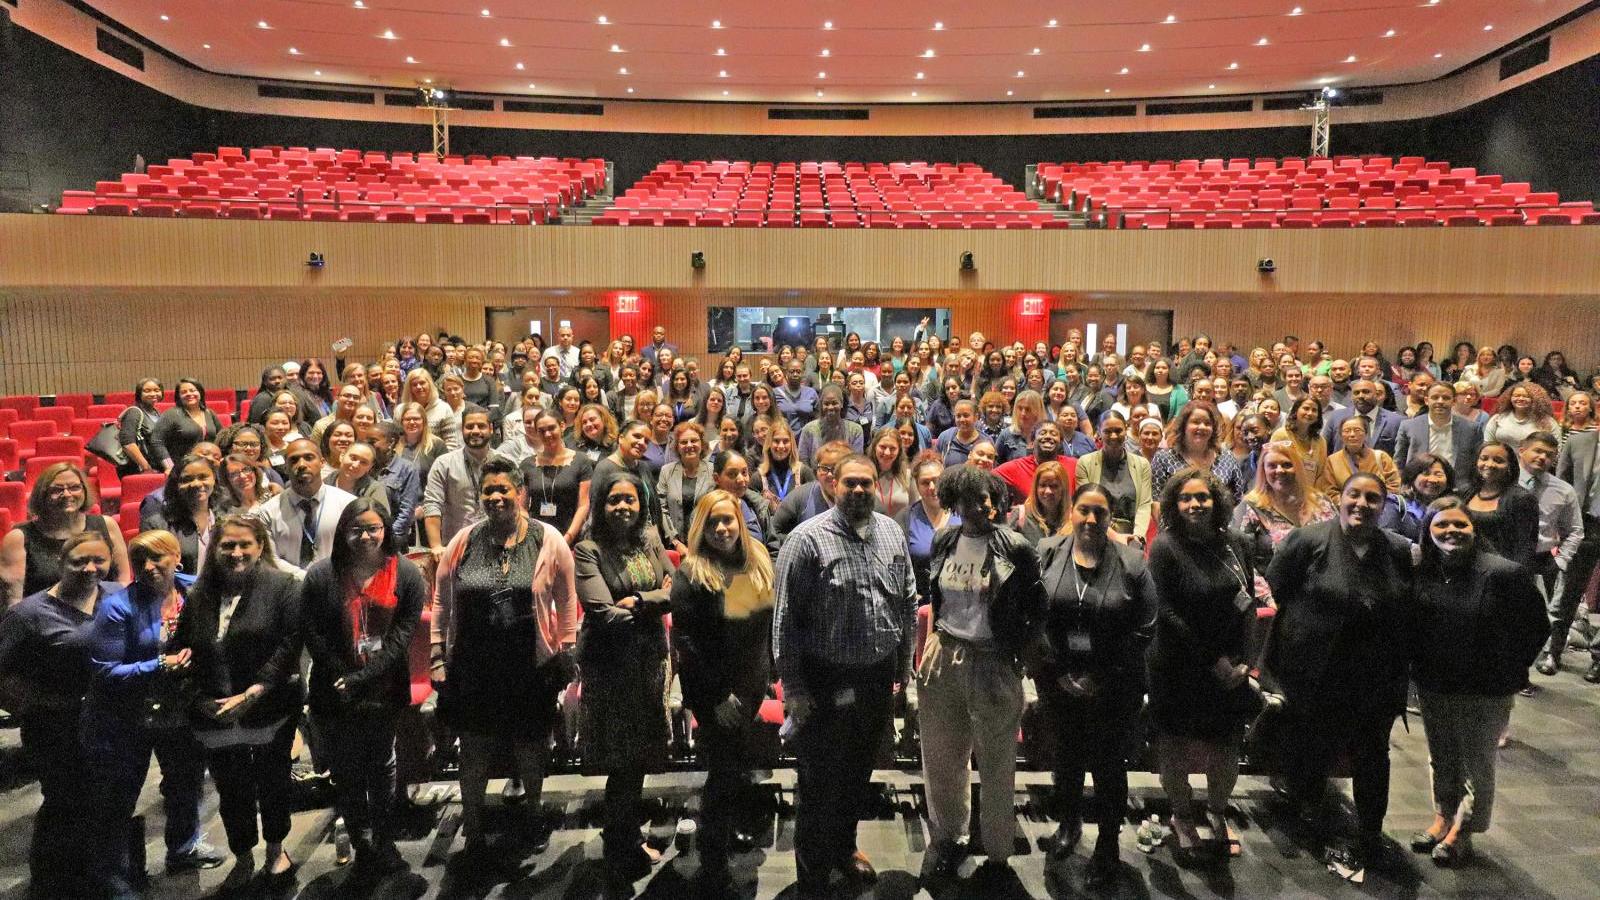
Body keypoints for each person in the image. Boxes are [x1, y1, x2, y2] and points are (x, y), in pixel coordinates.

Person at [773, 453, 917, 899]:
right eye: (850, 483)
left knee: (857, 774)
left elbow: (908, 602)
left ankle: (844, 848)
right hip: (823, 679)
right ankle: (812, 875)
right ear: (833, 484)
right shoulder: (807, 540)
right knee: (818, 783)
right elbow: (785, 622)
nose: (859, 490)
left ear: (877, 485)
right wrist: (793, 688)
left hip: (875, 677)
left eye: (866, 483)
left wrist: (903, 669)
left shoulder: (891, 531)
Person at [1265, 472, 1414, 874]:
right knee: (1312, 748)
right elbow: (1277, 589)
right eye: (1354, 495)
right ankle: (1308, 816)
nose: (1362, 504)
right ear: (1340, 498)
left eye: (1372, 498)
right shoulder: (1307, 541)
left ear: (1383, 506)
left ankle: (1370, 832)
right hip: (1315, 674)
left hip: (1374, 680)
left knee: (1373, 758)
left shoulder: (1398, 550)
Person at [432, 458, 578, 857]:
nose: (496, 497)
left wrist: (566, 647)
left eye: (504, 490)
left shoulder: (547, 539)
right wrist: (436, 654)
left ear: (521, 494)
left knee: (531, 745)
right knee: (474, 748)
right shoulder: (464, 540)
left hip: (530, 664)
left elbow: (567, 598)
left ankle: (533, 813)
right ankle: (474, 829)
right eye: (488, 491)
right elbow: (442, 600)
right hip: (473, 665)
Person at [916, 465, 1042, 882]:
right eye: (971, 498)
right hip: (945, 654)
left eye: (987, 496)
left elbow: (1038, 610)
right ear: (955, 503)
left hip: (993, 660)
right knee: (942, 759)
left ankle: (998, 855)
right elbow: (938, 600)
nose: (983, 504)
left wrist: (1019, 654)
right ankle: (949, 839)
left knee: (997, 762)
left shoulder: (1017, 547)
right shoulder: (943, 540)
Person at [84, 530, 222, 898]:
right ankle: (114, 877)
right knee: (120, 797)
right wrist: (158, 664)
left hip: (180, 709)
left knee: (184, 783)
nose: (148, 566)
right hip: (128, 715)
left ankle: (183, 848)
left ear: (178, 557)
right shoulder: (117, 607)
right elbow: (104, 671)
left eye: (158, 557)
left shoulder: (196, 591)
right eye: (139, 558)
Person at [1409, 497, 1546, 866]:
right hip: (1435, 684)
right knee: (1442, 758)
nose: (1451, 531)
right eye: (1441, 525)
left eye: (1460, 525)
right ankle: (1442, 816)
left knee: (1477, 765)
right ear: (1429, 531)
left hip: (1485, 690)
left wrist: (1509, 670)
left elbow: (1536, 627)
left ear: (1474, 529)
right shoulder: (1424, 571)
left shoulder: (1504, 573)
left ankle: (1463, 829)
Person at [1033, 484, 1157, 887]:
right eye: (1084, 510)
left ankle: (1107, 846)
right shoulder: (1048, 552)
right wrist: (1060, 673)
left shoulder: (1133, 561)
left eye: (1099, 513)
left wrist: (1098, 676)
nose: (1090, 519)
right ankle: (1069, 825)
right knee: (1065, 758)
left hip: (1115, 683)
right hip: (1058, 679)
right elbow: (1035, 616)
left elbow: (1145, 627)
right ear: (1072, 512)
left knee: (1108, 766)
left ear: (1111, 517)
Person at [170, 515, 302, 891]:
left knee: (273, 782)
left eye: (245, 544)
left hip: (268, 705)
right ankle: (243, 854)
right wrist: (198, 698)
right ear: (215, 550)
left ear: (261, 546)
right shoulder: (199, 594)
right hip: (213, 712)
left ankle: (276, 850)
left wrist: (255, 691)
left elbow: (291, 644)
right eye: (227, 545)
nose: (237, 552)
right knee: (232, 790)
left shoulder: (283, 586)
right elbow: (180, 649)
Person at [302, 500, 426, 889]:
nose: (366, 536)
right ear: (343, 532)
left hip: (383, 686)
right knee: (346, 771)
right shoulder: (322, 574)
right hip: (334, 688)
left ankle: (385, 840)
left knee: (383, 767)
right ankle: (361, 843)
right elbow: (312, 632)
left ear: (386, 529)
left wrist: (366, 675)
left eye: (373, 528)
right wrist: (344, 675)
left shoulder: (406, 572)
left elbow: (403, 635)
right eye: (356, 529)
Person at [1147, 470, 1260, 864]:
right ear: (1174, 506)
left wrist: (1244, 662)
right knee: (1175, 743)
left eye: (1203, 497)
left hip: (1230, 666)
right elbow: (1165, 611)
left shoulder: (1237, 545)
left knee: (1226, 744)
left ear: (1217, 500)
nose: (1196, 505)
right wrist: (1215, 661)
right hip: (1178, 664)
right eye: (1186, 499)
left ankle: (1216, 810)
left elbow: (1248, 602)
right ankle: (1180, 815)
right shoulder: (1164, 547)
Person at [0, 532, 118, 897]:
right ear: (60, 564)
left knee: (106, 800)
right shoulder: (29, 613)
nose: (90, 568)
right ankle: (52, 884)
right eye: (79, 561)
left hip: (109, 721)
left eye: (99, 559)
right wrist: (24, 704)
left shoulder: (116, 596)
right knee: (65, 804)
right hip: (56, 725)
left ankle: (96, 876)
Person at [671, 490, 777, 894]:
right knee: (723, 772)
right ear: (701, 527)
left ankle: (723, 839)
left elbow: (755, 628)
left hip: (749, 688)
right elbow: (688, 644)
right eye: (713, 522)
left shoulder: (756, 563)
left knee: (734, 768)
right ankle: (712, 864)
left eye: (728, 520)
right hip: (715, 693)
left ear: (740, 522)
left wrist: (763, 677)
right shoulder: (692, 573)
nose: (721, 528)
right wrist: (717, 696)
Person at [574, 470, 675, 890]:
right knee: (622, 761)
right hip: (610, 668)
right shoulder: (588, 550)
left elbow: (675, 588)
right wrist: (650, 606)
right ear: (601, 505)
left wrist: (639, 600)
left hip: (649, 662)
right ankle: (620, 846)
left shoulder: (651, 540)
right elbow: (601, 613)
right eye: (614, 500)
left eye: (630, 500)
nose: (623, 507)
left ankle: (624, 837)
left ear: (641, 504)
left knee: (638, 761)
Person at [2, 461, 131, 603]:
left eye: (74, 487)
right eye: (57, 490)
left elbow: (122, 582)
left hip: (104, 615)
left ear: (84, 491)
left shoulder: (107, 525)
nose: (67, 494)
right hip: (46, 620)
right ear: (42, 494)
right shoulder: (19, 538)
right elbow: (13, 602)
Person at [249, 439, 357, 570]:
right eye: (294, 460)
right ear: (285, 468)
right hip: (288, 586)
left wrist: (326, 580)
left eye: (309, 458)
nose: (301, 464)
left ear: (322, 462)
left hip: (336, 584)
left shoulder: (349, 504)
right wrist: (306, 580)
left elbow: (355, 551)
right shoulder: (267, 512)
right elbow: (271, 558)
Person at [422, 405, 500, 564]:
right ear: (462, 430)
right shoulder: (444, 463)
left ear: (491, 429)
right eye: (469, 426)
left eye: (481, 426)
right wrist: (436, 546)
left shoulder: (504, 462)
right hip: (457, 547)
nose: (475, 431)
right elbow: (432, 504)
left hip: (498, 545)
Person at [1074, 412, 1153, 544]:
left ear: (1126, 430)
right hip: (1095, 533)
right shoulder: (1085, 463)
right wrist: (1116, 537)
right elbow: (1085, 506)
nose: (1114, 436)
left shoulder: (1142, 464)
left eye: (1118, 430)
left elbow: (1144, 505)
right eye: (1107, 431)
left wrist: (1137, 537)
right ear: (1098, 433)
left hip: (1132, 537)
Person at [1460, 441, 1540, 567]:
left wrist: (1515, 577)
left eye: (1498, 460)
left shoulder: (1522, 498)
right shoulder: (1466, 492)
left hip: (1501, 572)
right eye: (1484, 458)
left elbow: (1525, 547)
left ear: (1510, 466)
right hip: (1466, 567)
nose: (1490, 464)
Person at [141, 454, 221, 576]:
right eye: (187, 479)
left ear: (214, 479)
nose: (196, 484)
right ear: (176, 485)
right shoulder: (157, 524)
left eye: (203, 477)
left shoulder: (227, 517)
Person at [1151, 403, 1247, 502]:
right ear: (1183, 426)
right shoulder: (1163, 458)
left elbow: (1238, 498)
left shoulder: (1226, 456)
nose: (1202, 427)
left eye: (1207, 423)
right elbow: (1157, 501)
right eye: (1195, 422)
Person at [769, 441, 852, 553]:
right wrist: (802, 545)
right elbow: (774, 532)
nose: (830, 474)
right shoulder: (799, 496)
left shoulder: (862, 497)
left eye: (836, 468)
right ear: (816, 471)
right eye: (824, 468)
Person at [1395, 382, 1484, 479]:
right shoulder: (1408, 426)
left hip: (1458, 489)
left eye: (1446, 398)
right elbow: (1399, 463)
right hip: (1418, 486)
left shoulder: (1472, 429)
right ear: (1426, 400)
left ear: (1454, 401)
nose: (1440, 401)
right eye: (1435, 397)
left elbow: (1477, 464)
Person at [659, 422, 715, 551]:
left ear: (702, 444)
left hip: (707, 545)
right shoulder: (667, 471)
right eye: (684, 442)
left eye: (694, 440)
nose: (689, 445)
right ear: (677, 447)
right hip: (675, 546)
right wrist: (676, 543)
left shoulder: (713, 471)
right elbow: (662, 509)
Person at [1317, 415, 1402, 499]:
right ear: (1341, 435)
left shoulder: (1381, 457)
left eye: (1357, 430)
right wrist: (1349, 504)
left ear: (1366, 434)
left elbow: (1394, 485)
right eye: (1347, 431)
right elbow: (1329, 491)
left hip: (1378, 509)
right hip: (1345, 510)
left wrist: (1375, 502)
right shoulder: (1332, 461)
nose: (1352, 434)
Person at [149, 377, 222, 471]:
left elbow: (221, 439)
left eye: (192, 390)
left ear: (200, 392)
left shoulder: (209, 413)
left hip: (210, 467)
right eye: (184, 392)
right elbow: (157, 441)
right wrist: (169, 466)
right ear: (178, 396)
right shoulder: (171, 414)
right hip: (182, 468)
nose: (189, 394)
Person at [797, 384, 865, 465]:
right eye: (826, 403)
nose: (830, 407)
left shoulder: (855, 430)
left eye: (834, 403)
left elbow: (856, 462)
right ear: (821, 405)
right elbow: (803, 462)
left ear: (842, 403)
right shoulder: (808, 429)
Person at [1485, 382, 1562, 447]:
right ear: (1509, 398)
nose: (1521, 399)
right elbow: (1488, 445)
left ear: (1536, 399)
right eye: (1516, 396)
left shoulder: (1547, 422)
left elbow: (1557, 448)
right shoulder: (1497, 419)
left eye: (1526, 396)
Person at [117, 378, 165, 475]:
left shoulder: (156, 413)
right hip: (139, 470)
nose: (153, 394)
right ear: (139, 394)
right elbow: (128, 443)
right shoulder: (134, 412)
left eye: (157, 390)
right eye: (147, 391)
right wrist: (146, 468)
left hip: (156, 467)